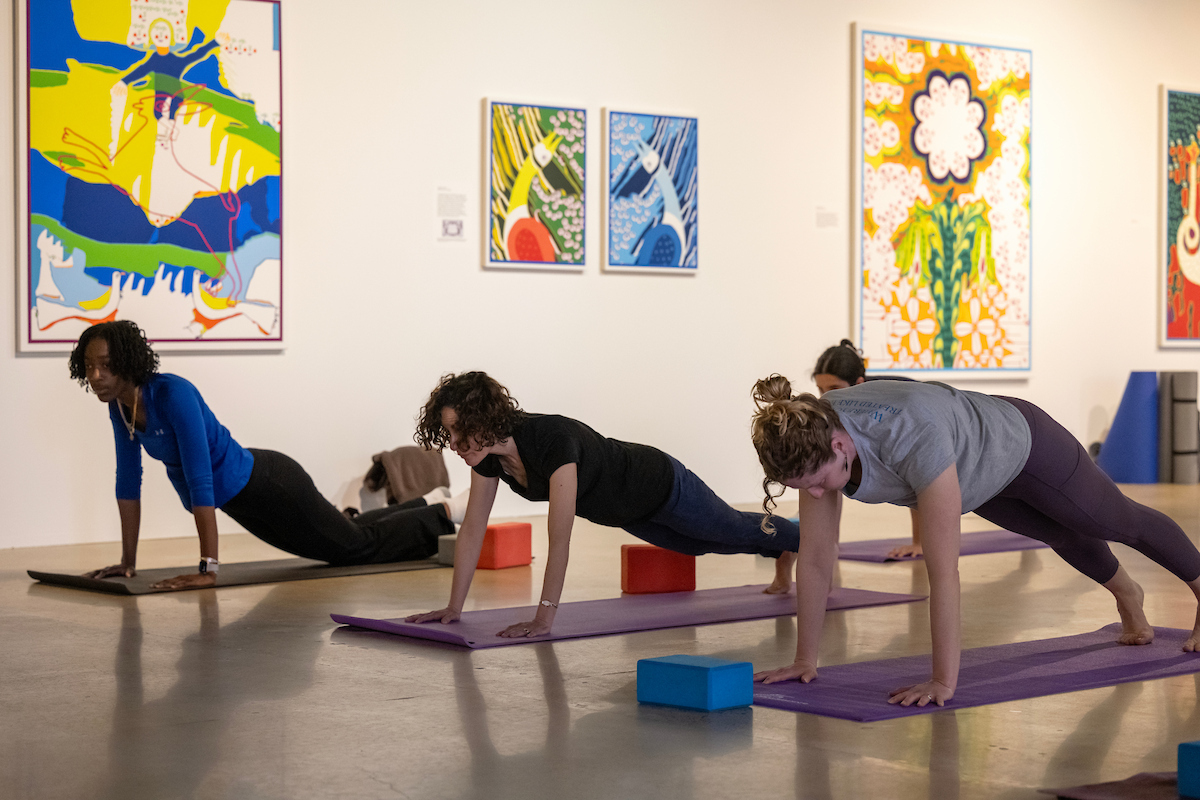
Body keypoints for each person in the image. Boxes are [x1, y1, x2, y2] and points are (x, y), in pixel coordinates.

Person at [748, 374, 1200, 707]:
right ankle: (1128, 595)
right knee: (1060, 533)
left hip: (1024, 443)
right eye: (801, 486)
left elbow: (943, 574)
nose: (814, 494)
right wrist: (804, 659)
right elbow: (814, 560)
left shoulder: (911, 437)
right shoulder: (814, 434)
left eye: (818, 481)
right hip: (977, 469)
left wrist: (943, 682)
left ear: (841, 446)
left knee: (1113, 520)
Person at [405, 371, 800, 638]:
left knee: (727, 528)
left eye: (458, 431)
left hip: (659, 482)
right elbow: (473, 527)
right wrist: (453, 608)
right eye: (448, 432)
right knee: (702, 544)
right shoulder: (488, 458)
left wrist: (544, 617)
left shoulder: (551, 440)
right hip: (630, 512)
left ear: (483, 418)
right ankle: (781, 547)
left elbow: (559, 538)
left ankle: (804, 537)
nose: (452, 445)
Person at [70, 320, 460, 591]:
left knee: (352, 550)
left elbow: (200, 478)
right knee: (344, 540)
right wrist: (127, 562)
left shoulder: (173, 394)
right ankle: (427, 504)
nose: (97, 375)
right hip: (244, 501)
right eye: (89, 366)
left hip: (272, 485)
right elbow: (127, 481)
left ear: (129, 361)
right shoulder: (120, 407)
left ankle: (443, 515)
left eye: (106, 365)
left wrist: (209, 568)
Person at [812, 339, 921, 558]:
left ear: (858, 383)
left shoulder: (887, 406)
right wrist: (829, 544)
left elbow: (920, 475)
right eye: (820, 389)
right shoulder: (836, 410)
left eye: (833, 389)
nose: (825, 397)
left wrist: (919, 543)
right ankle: (831, 541)